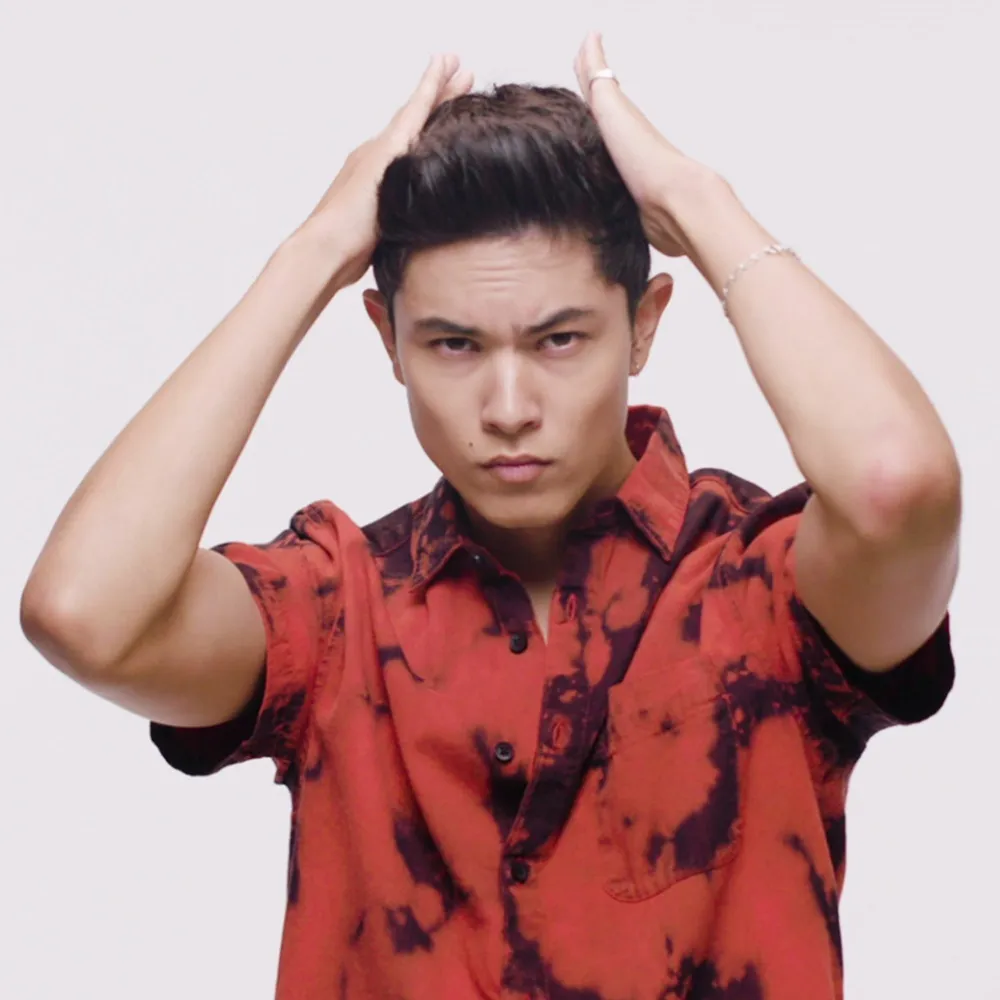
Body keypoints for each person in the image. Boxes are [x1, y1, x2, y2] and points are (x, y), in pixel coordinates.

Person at [21, 32, 960, 1000]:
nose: (509, 407)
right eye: (454, 345)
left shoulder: (760, 586)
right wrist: (312, 254)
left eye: (559, 340)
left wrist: (698, 202)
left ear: (642, 325)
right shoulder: (336, 609)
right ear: (389, 340)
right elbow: (87, 615)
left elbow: (896, 485)